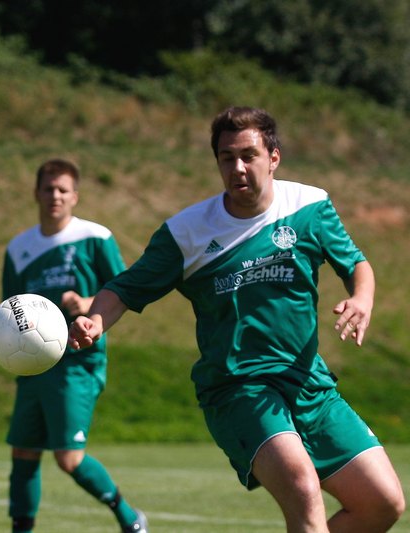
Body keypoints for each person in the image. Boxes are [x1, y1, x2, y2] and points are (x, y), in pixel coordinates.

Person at [69, 106, 405, 532]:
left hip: (308, 382)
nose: (238, 167)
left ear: (274, 158)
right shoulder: (187, 232)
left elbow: (356, 264)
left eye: (249, 155)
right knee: (302, 486)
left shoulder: (310, 206)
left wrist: (362, 297)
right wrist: (96, 320)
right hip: (238, 388)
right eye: (227, 158)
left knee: (383, 503)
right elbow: (124, 288)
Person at [1, 159, 148, 533]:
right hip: (33, 363)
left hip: (77, 361)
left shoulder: (95, 237)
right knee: (24, 453)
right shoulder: (18, 249)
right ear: (36, 193)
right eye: (48, 188)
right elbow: (10, 308)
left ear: (75, 196)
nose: (55, 195)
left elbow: (124, 290)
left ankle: (130, 518)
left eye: (63, 189)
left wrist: (87, 303)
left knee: (68, 458)